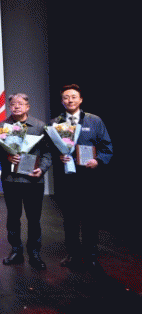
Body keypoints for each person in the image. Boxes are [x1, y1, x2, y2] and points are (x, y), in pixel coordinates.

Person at [52, 84, 112, 270]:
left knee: (90, 218)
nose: (70, 100)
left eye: (73, 97)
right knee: (70, 219)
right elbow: (49, 150)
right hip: (67, 179)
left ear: (81, 99)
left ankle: (91, 254)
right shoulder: (56, 123)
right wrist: (58, 157)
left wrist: (98, 160)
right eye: (66, 97)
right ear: (62, 101)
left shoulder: (94, 121)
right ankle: (73, 254)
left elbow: (107, 147)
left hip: (89, 178)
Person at [0, 93, 51, 270]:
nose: (16, 106)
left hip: (33, 180)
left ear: (27, 107)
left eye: (20, 104)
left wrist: (42, 169)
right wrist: (6, 157)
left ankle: (35, 253)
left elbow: (47, 152)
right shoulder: (2, 127)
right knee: (13, 217)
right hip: (11, 179)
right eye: (13, 104)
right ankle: (16, 251)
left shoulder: (40, 126)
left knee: (34, 218)